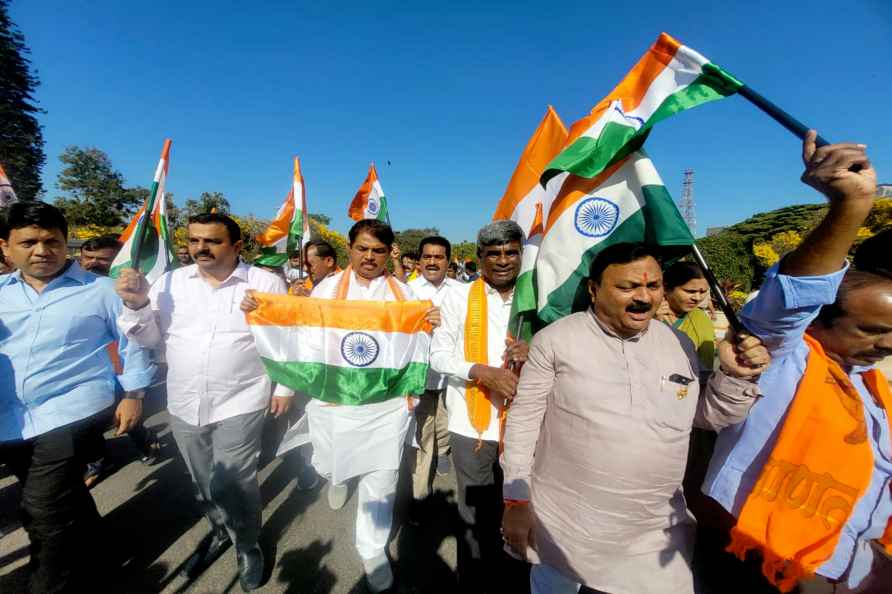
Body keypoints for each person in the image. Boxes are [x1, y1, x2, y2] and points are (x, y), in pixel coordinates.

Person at [501, 242, 769, 594]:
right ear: (594, 290)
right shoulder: (556, 340)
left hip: (655, 531)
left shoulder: (678, 344)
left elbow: (707, 415)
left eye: (653, 286)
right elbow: (523, 422)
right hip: (567, 524)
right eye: (628, 287)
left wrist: (735, 377)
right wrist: (517, 500)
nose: (644, 297)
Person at [701, 133, 891, 594]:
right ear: (822, 317)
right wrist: (850, 207)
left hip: (851, 562)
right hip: (768, 563)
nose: (886, 344)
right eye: (872, 329)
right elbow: (790, 299)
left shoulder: (872, 388)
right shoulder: (782, 357)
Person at [244, 219, 436, 593]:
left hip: (386, 404)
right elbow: (300, 340)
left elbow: (420, 344)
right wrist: (262, 309)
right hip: (336, 400)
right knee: (334, 458)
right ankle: (339, 475)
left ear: (388, 253)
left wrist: (433, 323)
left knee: (382, 475)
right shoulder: (327, 289)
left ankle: (372, 549)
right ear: (350, 249)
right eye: (363, 248)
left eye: (378, 251)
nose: (370, 257)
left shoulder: (405, 295)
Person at [115, 213, 293, 592]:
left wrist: (284, 389)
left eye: (211, 241)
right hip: (183, 400)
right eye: (194, 240)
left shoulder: (266, 283)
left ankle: (247, 545)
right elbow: (147, 339)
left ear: (236, 246)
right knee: (202, 480)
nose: (200, 248)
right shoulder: (170, 282)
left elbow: (285, 341)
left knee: (235, 480)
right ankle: (219, 529)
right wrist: (136, 305)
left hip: (241, 399)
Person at [0, 202, 155, 593]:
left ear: (66, 244)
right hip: (11, 416)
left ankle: (50, 584)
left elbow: (132, 341)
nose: (42, 250)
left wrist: (133, 393)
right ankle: (99, 553)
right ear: (6, 247)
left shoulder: (101, 290)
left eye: (52, 241)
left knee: (41, 506)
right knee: (65, 493)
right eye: (29, 242)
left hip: (72, 408)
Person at [430, 220, 529, 593]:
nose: (503, 260)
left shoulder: (536, 298)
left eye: (510, 252)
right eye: (494, 254)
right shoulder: (456, 297)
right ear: (479, 258)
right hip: (472, 428)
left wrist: (533, 351)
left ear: (521, 254)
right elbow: (437, 355)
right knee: (476, 519)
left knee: (519, 511)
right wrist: (481, 372)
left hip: (526, 426)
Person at [78, 235, 161, 486]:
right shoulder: (72, 289)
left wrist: (134, 392)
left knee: (124, 416)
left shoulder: (130, 293)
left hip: (120, 367)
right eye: (88, 258)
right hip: (87, 373)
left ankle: (144, 439)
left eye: (102, 259)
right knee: (86, 423)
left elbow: (138, 341)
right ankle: (97, 460)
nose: (93, 264)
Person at [408, 236, 462, 506]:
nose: (432, 262)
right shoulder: (405, 291)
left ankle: (445, 452)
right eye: (427, 257)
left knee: (446, 425)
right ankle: (420, 495)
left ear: (448, 261)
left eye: (438, 257)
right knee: (424, 433)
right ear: (419, 261)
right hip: (420, 377)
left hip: (453, 378)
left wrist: (447, 319)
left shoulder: (463, 292)